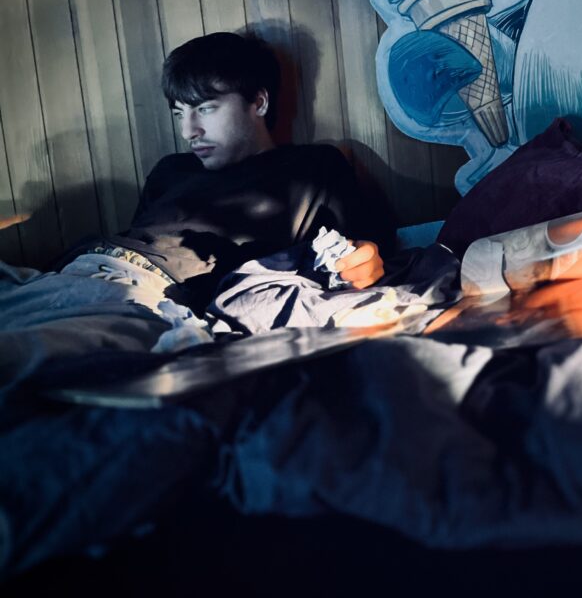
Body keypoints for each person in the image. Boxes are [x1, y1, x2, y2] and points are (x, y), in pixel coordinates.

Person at [0, 32, 388, 383]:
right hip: (65, 272)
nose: (189, 131)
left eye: (204, 109)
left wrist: (365, 256)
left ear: (259, 102)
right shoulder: (171, 170)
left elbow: (367, 248)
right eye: (179, 113)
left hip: (147, 294)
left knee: (24, 355)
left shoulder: (312, 166)